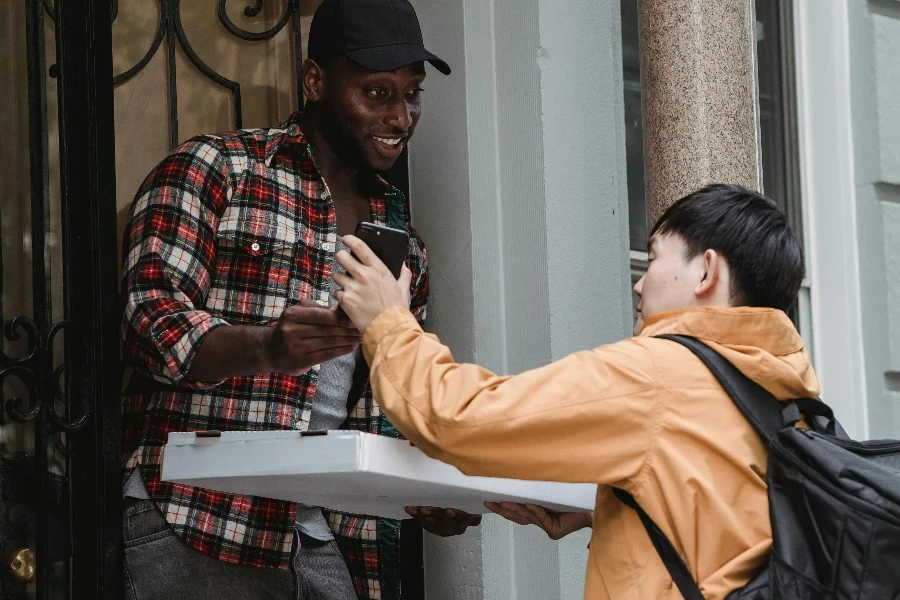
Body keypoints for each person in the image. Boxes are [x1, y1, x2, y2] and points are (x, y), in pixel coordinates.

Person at [120, 1, 480, 598]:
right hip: (195, 516)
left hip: (315, 536)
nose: (400, 116)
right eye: (377, 92)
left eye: (411, 94)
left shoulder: (403, 243)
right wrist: (266, 348)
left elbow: (383, 405)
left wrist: (426, 490)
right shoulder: (218, 169)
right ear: (315, 82)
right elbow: (149, 323)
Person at [333, 184, 817, 600]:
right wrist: (606, 508)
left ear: (706, 272)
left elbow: (456, 417)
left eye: (652, 260)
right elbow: (722, 525)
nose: (640, 285)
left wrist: (386, 322)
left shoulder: (657, 375)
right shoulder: (784, 392)